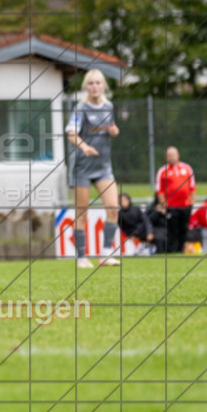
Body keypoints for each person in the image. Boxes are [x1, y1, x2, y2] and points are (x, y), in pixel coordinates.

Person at [65, 69, 122, 268]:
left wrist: (114, 131)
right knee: (82, 213)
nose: (95, 87)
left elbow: (112, 129)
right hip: (82, 167)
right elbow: (71, 133)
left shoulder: (108, 107)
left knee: (113, 208)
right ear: (86, 87)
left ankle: (105, 255)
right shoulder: (80, 109)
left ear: (103, 86)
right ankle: (81, 258)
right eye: (91, 83)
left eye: (98, 83)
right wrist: (85, 147)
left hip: (103, 167)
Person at [155, 146, 196, 253]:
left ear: (178, 155)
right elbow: (159, 190)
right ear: (166, 157)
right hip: (171, 206)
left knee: (183, 229)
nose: (171, 157)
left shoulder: (187, 168)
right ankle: (172, 251)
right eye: (169, 155)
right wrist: (163, 204)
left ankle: (181, 250)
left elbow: (192, 186)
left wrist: (191, 202)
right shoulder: (162, 171)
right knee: (172, 230)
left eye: (173, 155)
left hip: (185, 206)